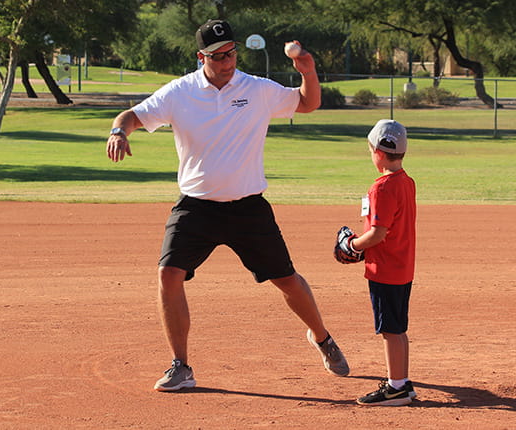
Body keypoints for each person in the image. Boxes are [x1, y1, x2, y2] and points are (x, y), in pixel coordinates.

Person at [105, 19, 349, 392]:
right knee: (168, 275)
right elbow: (132, 116)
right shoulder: (180, 92)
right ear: (201, 57)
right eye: (219, 56)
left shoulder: (257, 89)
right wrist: (119, 131)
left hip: (248, 208)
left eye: (232, 52)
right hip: (196, 208)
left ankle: (322, 337)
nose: (228, 61)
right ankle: (181, 366)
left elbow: (308, 103)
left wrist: (308, 72)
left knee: (287, 281)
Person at [341, 119, 417, 406]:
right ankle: (403, 382)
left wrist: (352, 245)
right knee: (397, 328)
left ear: (378, 153)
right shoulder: (406, 181)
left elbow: (377, 234)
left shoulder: (382, 187)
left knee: (390, 330)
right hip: (402, 266)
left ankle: (396, 388)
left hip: (385, 269)